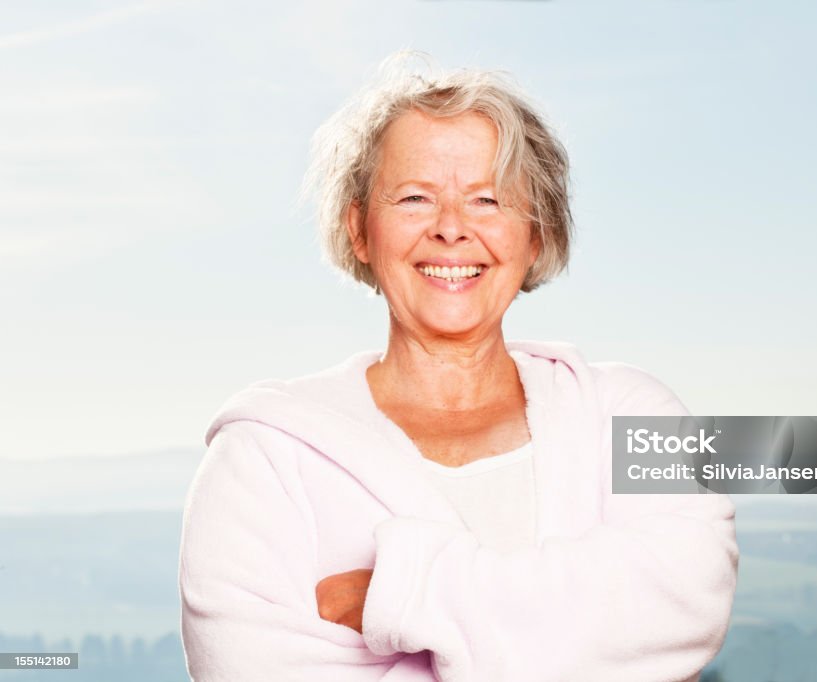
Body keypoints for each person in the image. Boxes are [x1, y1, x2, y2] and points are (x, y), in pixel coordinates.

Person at [178, 54, 738, 682]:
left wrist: (404, 593)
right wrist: (579, 636)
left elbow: (690, 599)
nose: (451, 229)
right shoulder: (260, 456)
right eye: (414, 198)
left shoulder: (634, 410)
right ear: (359, 229)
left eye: (487, 199)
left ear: (536, 236)